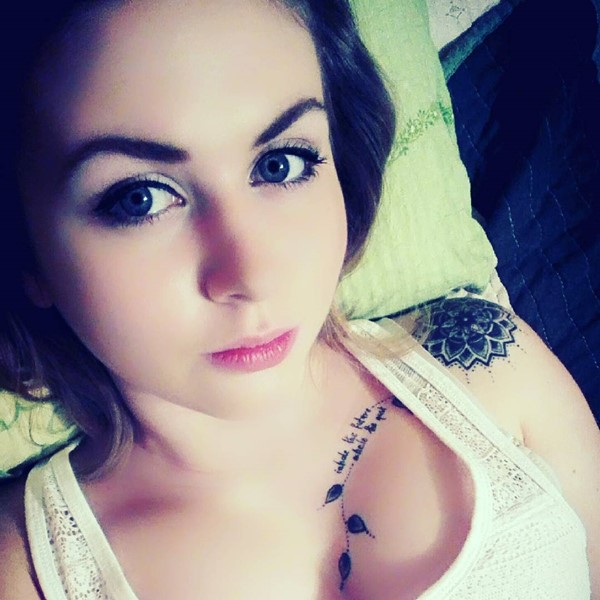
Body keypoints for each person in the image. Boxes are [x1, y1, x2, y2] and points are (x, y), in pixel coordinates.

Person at [0, 0, 598, 598]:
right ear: (27, 254)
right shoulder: (26, 571)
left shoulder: (490, 360)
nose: (252, 274)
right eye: (140, 199)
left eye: (281, 164)